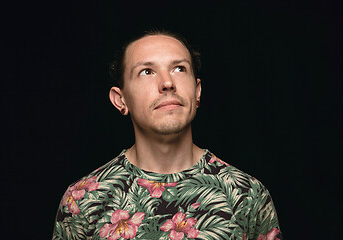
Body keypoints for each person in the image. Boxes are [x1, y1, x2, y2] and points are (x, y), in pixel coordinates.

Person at [52, 30, 282, 240]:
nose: (167, 82)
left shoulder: (246, 194)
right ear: (120, 100)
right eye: (146, 71)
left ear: (197, 91)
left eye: (179, 68)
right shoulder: (83, 200)